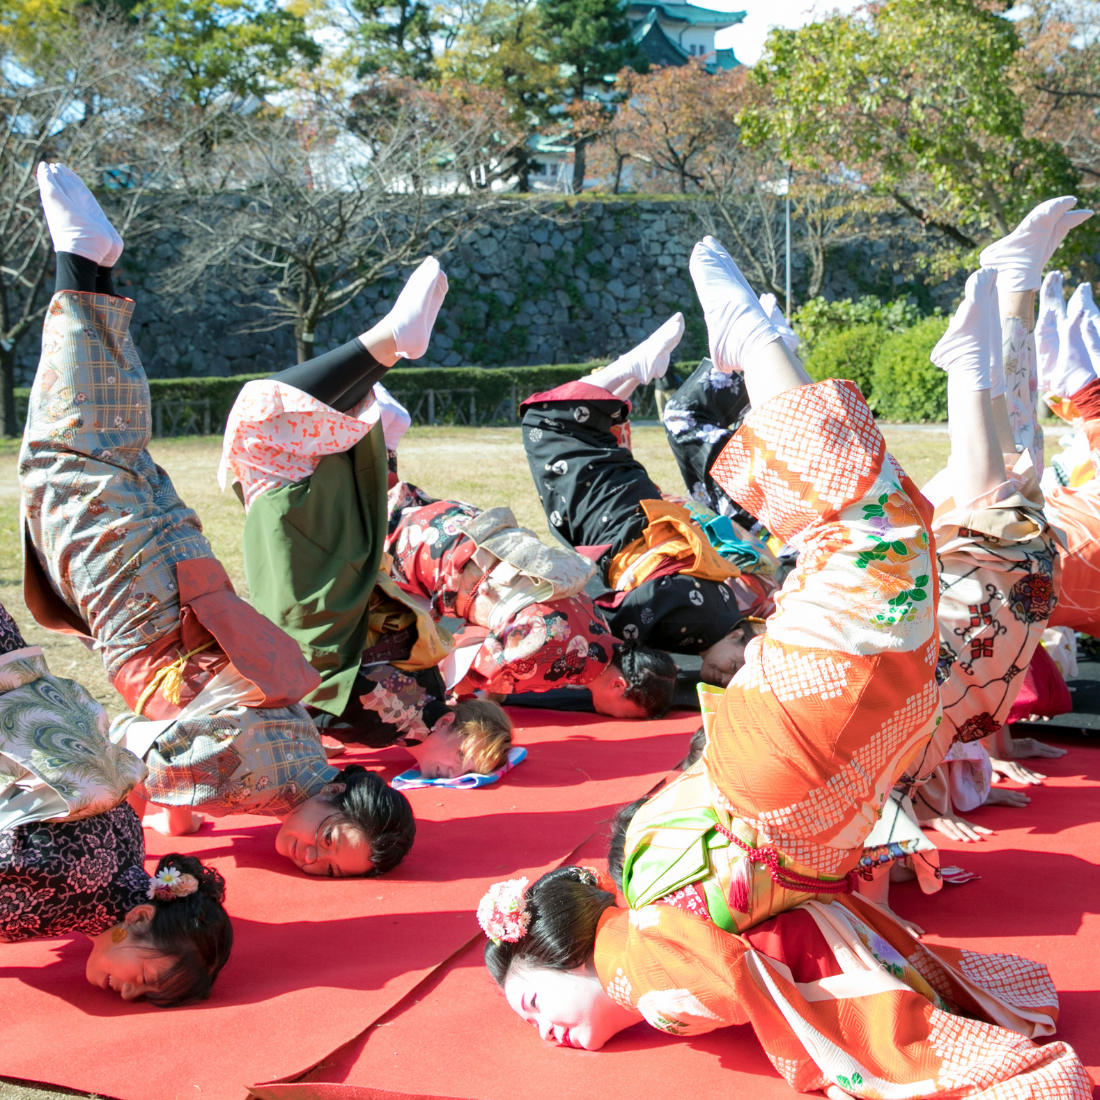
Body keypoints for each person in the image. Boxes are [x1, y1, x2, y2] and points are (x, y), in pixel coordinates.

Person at [477, 239, 1091, 1097]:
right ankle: (782, 348)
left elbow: (737, 975)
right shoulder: (640, 930)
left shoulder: (637, 964)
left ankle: (754, 345)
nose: (543, 1030)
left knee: (877, 549)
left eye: (532, 1000)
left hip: (784, 773)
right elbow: (786, 947)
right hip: (819, 774)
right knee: (928, 555)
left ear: (574, 953)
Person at [19, 163, 414, 877]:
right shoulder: (262, 783)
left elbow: (201, 750)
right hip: (145, 615)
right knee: (64, 463)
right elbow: (121, 750)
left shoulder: (306, 758)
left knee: (112, 451)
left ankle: (94, 276)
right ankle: (77, 265)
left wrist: (182, 800)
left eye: (324, 868)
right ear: (345, 799)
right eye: (329, 843)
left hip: (191, 574)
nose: (308, 857)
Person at [218, 262, 518, 781]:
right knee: (260, 424)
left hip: (344, 584)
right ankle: (387, 341)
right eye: (461, 766)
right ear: (457, 741)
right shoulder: (395, 723)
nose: (451, 775)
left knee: (286, 441)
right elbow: (305, 702)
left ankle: (387, 374)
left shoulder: (430, 693)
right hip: (311, 601)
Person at [0, 602, 232, 1004]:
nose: (128, 993)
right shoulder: (60, 900)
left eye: (142, 993)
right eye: (144, 975)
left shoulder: (129, 853)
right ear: (139, 918)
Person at [519, 314, 763, 687]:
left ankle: (636, 371)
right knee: (546, 426)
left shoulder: (722, 611)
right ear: (735, 635)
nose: (723, 674)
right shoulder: (704, 621)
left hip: (636, 509)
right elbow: (633, 608)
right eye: (734, 666)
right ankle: (633, 367)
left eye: (729, 678)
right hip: (619, 528)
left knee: (594, 438)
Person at [384, 481, 678, 719]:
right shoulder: (560, 659)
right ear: (619, 685)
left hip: (463, 524)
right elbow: (467, 667)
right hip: (436, 552)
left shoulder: (598, 627)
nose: (621, 719)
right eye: (628, 715)